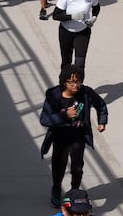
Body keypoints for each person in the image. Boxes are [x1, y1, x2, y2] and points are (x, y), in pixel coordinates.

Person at [40, 65, 108, 208]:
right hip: (60, 137)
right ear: (64, 82)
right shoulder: (54, 96)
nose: (75, 85)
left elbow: (101, 104)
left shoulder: (86, 93)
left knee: (77, 167)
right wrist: (65, 116)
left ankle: (74, 191)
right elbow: (44, 119)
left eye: (78, 81)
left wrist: (102, 121)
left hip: (78, 137)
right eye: (71, 82)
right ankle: (56, 188)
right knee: (59, 165)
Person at [52, 0, 100, 77]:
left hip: (82, 32)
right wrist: (72, 17)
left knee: (80, 64)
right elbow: (56, 15)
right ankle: (63, 88)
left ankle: (79, 89)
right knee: (66, 63)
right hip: (66, 32)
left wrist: (93, 18)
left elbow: (96, 8)